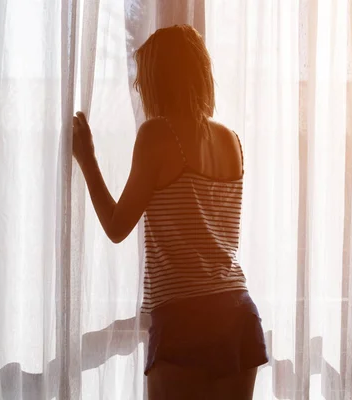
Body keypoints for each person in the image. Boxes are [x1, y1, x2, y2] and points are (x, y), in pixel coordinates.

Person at [72, 24, 268, 399]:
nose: (140, 91)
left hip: (184, 317)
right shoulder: (231, 140)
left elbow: (116, 227)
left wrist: (88, 160)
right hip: (238, 313)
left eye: (143, 82)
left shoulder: (157, 135)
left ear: (160, 81)